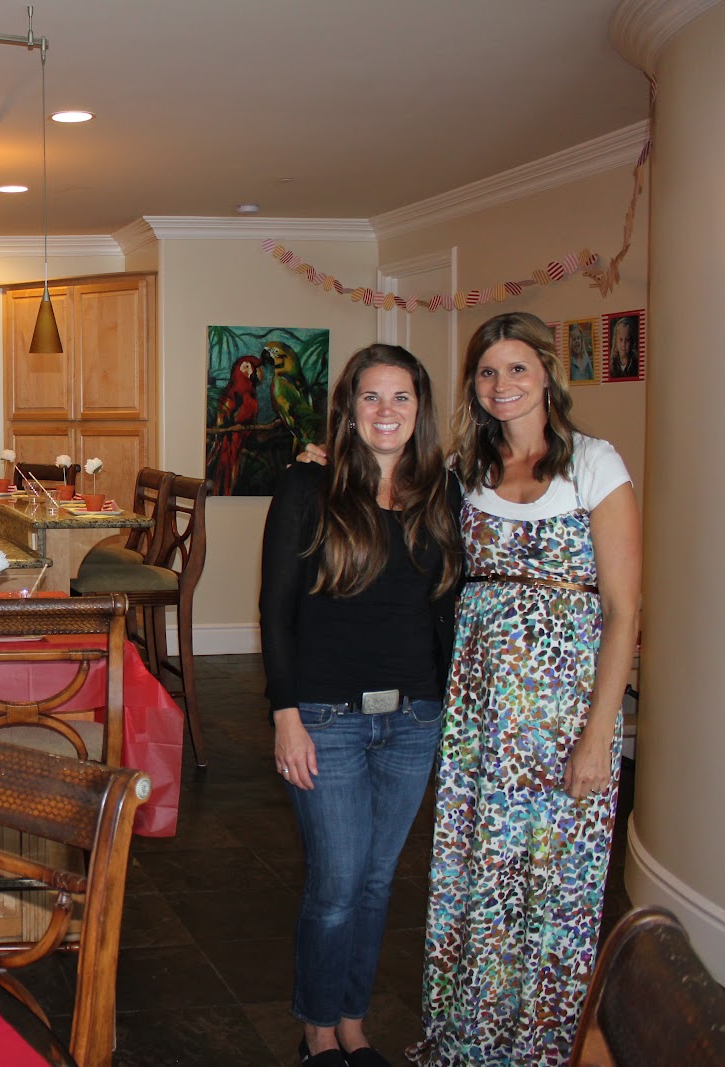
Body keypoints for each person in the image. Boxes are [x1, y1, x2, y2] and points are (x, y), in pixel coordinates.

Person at [410, 312, 640, 1065]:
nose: (501, 384)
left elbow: (623, 610)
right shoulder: (466, 470)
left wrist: (601, 733)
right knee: (480, 873)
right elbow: (390, 495)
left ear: (547, 374)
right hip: (482, 718)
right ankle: (469, 1040)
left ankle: (538, 1046)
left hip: (564, 719)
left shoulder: (594, 463)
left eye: (517, 368)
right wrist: (323, 461)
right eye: (487, 371)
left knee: (553, 885)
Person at [260, 344, 463, 1067]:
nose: (386, 410)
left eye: (401, 396)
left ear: (420, 408)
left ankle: (353, 1019)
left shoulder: (443, 492)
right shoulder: (306, 486)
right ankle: (318, 1029)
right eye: (370, 396)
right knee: (338, 883)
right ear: (347, 409)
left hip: (414, 718)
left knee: (377, 883)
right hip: (327, 717)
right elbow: (275, 609)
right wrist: (285, 714)